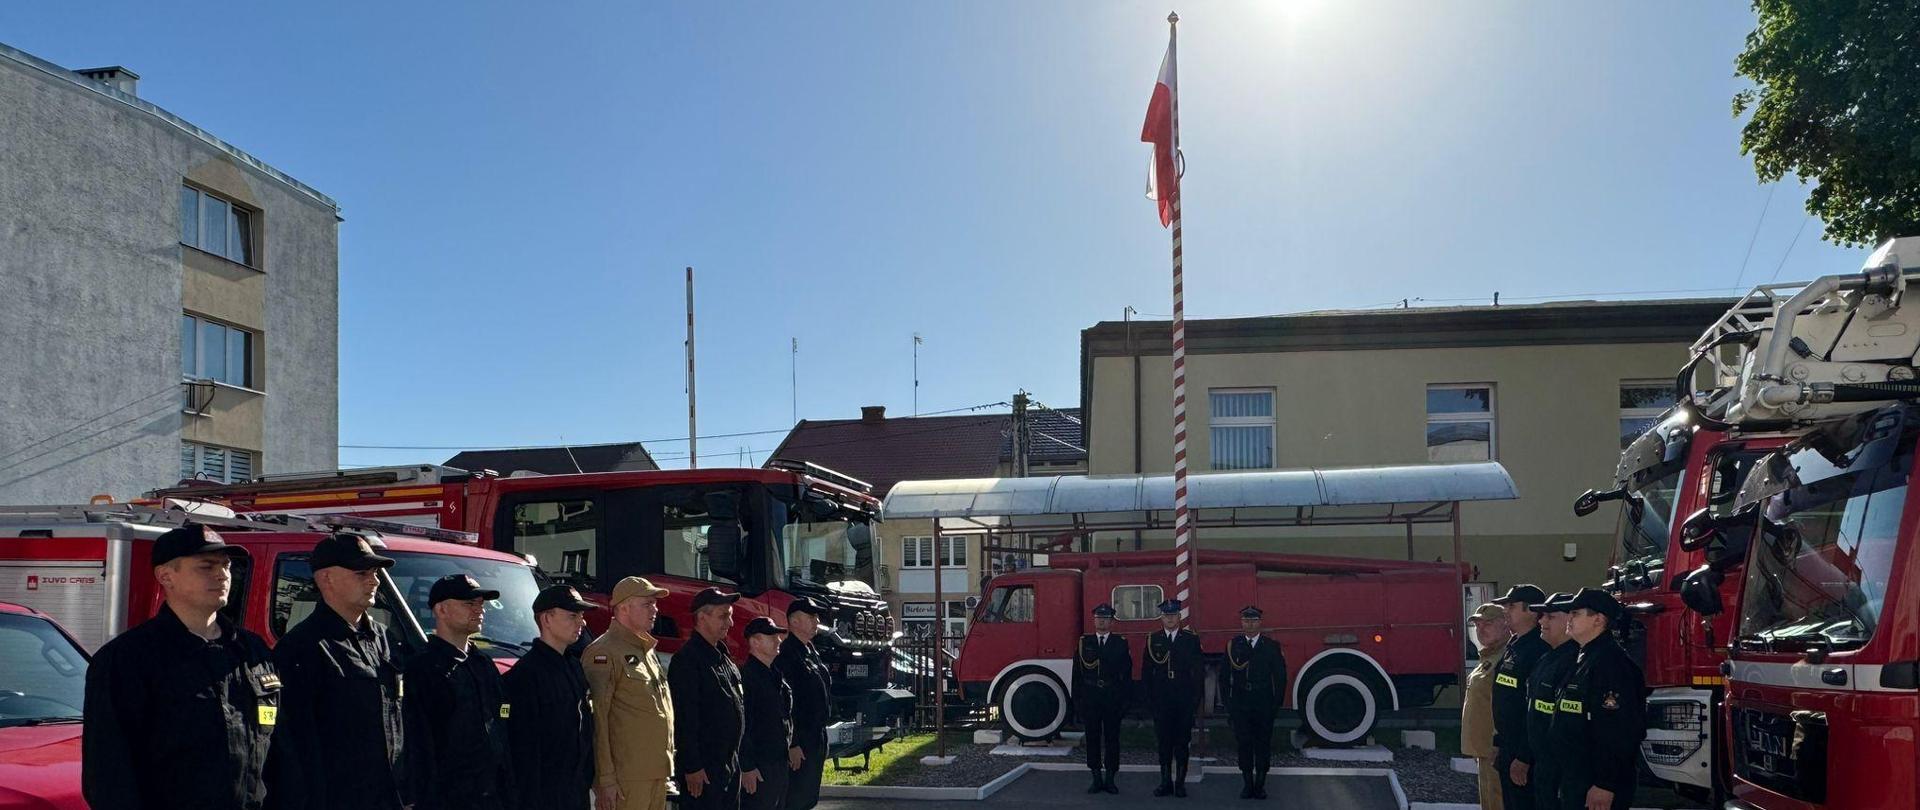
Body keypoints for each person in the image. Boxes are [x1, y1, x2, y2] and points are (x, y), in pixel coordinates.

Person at [82, 523, 278, 809]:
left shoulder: (252, 651)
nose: (222, 574)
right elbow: (108, 775)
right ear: (165, 576)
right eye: (206, 566)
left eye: (226, 565)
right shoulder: (127, 659)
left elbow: (279, 750)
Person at [271, 532, 407, 810]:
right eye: (361, 573)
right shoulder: (301, 647)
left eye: (375, 572)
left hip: (389, 797)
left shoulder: (383, 637)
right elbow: (293, 746)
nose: (374, 580)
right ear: (326, 579)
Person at [404, 574, 513, 810]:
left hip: (492, 795)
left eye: (480, 603)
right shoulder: (423, 668)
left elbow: (501, 719)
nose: (479, 610)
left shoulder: (482, 662)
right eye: (468, 603)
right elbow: (418, 742)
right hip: (448, 798)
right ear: (441, 610)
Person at [584, 577, 676, 810]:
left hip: (655, 772)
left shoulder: (645, 649)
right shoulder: (603, 652)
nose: (655, 609)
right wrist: (606, 779)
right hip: (627, 777)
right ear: (623, 607)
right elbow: (599, 721)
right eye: (647, 604)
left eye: (655, 604)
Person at [505, 584, 599, 810]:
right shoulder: (524, 676)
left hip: (575, 790)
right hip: (542, 794)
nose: (582, 622)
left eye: (582, 615)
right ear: (546, 619)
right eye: (572, 615)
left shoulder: (574, 667)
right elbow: (522, 748)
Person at [1551, 589, 1646, 810]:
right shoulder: (1585, 658)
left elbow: (1619, 729)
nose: (1569, 618)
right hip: (1576, 778)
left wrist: (1605, 783)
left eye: (1575, 613)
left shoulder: (1611, 664)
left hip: (1596, 784)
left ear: (1598, 619)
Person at [669, 587, 746, 810]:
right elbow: (685, 718)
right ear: (702, 617)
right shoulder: (688, 660)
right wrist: (692, 766)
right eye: (723, 616)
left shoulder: (724, 659)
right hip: (703, 771)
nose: (730, 623)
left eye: (730, 615)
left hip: (729, 765)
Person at [1489, 584, 1549, 810]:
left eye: (1511, 606)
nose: (1506, 611)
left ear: (1532, 611)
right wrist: (1498, 742)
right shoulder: (1514, 645)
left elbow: (1535, 709)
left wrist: (1524, 757)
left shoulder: (1538, 649)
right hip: (1509, 746)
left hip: (1526, 753)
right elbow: (1505, 701)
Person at [1221, 605, 1287, 800]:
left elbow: (1280, 677)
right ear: (1241, 623)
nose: (1249, 624)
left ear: (1260, 622)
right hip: (1241, 703)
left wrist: (1276, 705)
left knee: (1263, 744)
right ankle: (1247, 783)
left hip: (1263, 702)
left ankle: (1260, 784)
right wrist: (1228, 705)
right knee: (1244, 743)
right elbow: (1224, 678)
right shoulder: (1234, 645)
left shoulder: (1271, 646)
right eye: (1246, 620)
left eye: (1253, 620)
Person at [775, 597, 833, 810]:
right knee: (796, 798)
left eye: (817, 616)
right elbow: (786, 704)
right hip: (800, 738)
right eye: (811, 616)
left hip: (816, 735)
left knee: (809, 797)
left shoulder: (811, 651)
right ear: (794, 621)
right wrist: (793, 742)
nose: (816, 621)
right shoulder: (788, 654)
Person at [1142, 598, 1204, 798]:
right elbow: (1146, 673)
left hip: (1183, 699)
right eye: (1166, 615)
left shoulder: (1190, 639)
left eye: (1173, 615)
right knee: (1164, 743)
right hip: (1162, 700)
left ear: (1179, 617)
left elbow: (1198, 672)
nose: (1170, 619)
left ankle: (1180, 783)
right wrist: (1150, 701)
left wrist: (1195, 700)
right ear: (1162, 618)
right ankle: (1165, 782)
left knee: (1182, 742)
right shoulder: (1153, 639)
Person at [1522, 593, 1578, 809]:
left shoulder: (1575, 662)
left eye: (1550, 616)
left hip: (1563, 770)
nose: (1542, 621)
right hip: (1543, 764)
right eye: (1542, 615)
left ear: (1569, 619)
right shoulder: (1548, 657)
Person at [1071, 603, 1131, 795]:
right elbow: (1077, 675)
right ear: (1094, 620)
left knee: (1112, 738)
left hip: (1112, 696)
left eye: (1106, 618)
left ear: (1112, 622)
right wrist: (1077, 701)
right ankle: (1096, 777)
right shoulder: (1084, 643)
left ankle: (1111, 778)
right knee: (1092, 738)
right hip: (1090, 697)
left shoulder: (1120, 643)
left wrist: (1124, 702)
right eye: (1099, 617)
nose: (1102, 621)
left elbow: (1126, 675)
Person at [740, 617, 795, 810]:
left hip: (778, 760)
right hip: (759, 766)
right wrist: (747, 766)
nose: (778, 640)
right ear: (755, 642)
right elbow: (743, 725)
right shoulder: (748, 678)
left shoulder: (774, 674)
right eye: (771, 637)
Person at [1461, 602, 1511, 810]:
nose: (1481, 629)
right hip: (1483, 749)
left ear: (1505, 624)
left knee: (1499, 801)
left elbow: (1508, 706)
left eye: (1488, 623)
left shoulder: (1506, 658)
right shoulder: (1489, 656)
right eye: (1478, 625)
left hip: (1496, 749)